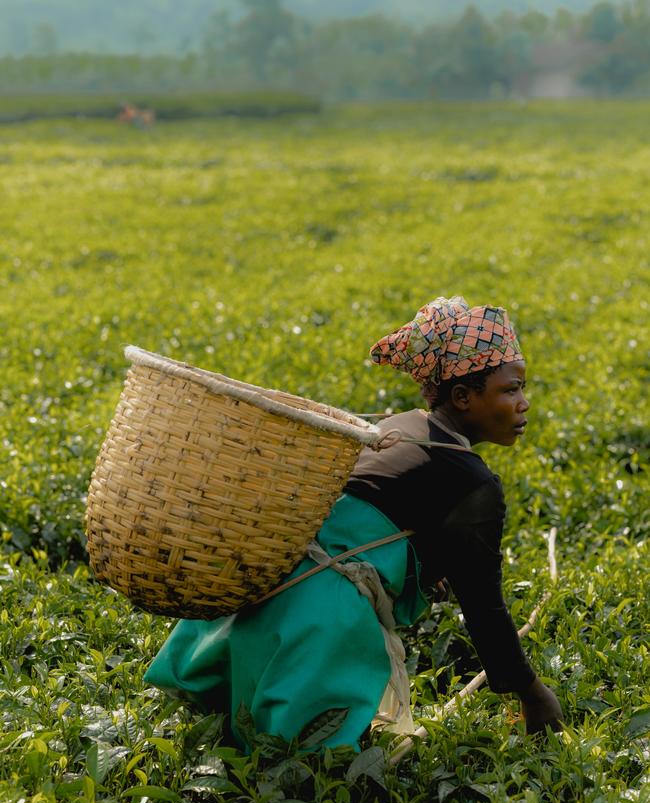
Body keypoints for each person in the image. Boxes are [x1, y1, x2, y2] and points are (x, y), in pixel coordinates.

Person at [144, 296, 563, 749]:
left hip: (262, 590)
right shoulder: (474, 483)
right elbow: (484, 608)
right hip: (319, 619)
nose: (523, 404)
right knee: (304, 768)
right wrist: (533, 693)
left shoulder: (400, 427)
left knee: (222, 740)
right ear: (464, 397)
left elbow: (378, 523)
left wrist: (427, 573)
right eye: (510, 389)